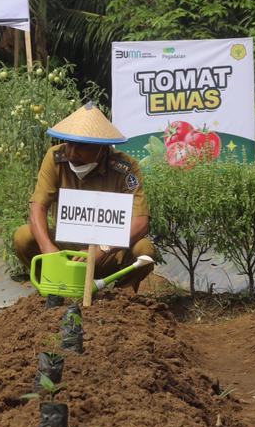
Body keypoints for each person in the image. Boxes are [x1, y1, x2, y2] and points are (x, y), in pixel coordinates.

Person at [13, 103, 156, 291]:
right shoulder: (55, 158)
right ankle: (54, 287)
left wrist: (103, 248)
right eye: (69, 144)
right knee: (23, 236)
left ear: (102, 148)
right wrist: (48, 249)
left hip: (108, 252)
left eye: (81, 147)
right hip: (66, 249)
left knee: (144, 250)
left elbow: (140, 222)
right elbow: (38, 207)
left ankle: (121, 298)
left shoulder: (125, 168)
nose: (72, 153)